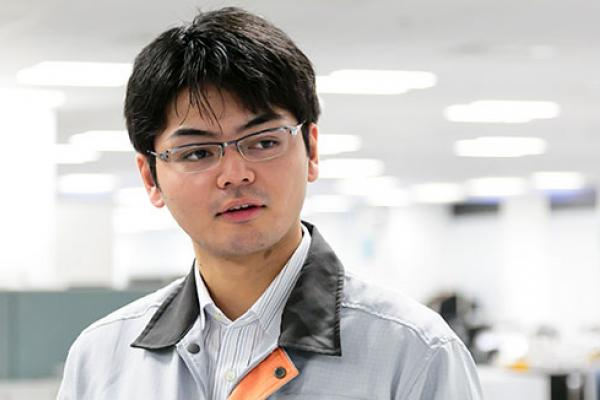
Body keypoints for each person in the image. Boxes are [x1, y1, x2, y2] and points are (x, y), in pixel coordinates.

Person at [58, 7, 483, 400]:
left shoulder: (413, 353)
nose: (235, 174)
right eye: (197, 152)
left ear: (311, 150)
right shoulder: (102, 359)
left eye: (263, 142)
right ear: (150, 177)